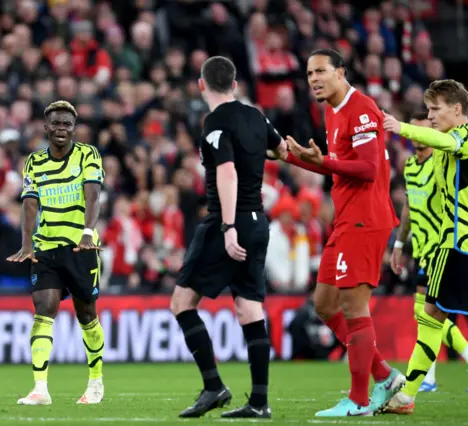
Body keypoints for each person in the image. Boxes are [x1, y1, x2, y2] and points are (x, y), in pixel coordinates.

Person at [283, 48, 404, 416]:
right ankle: (384, 376)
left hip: (365, 219)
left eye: (321, 71)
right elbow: (339, 168)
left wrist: (323, 161)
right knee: (323, 304)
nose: (314, 79)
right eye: (308, 73)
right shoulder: (331, 110)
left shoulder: (361, 107)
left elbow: (366, 168)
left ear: (340, 72)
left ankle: (359, 400)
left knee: (353, 307)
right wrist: (296, 157)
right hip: (346, 218)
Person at [170, 56, 287, 419]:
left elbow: (227, 174)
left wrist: (227, 226)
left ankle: (213, 386)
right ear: (235, 85)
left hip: (229, 220)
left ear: (201, 85)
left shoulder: (214, 123)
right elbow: (281, 150)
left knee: (181, 304)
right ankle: (260, 402)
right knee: (249, 308)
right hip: (259, 221)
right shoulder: (256, 115)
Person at [7, 100, 105, 406]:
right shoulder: (34, 162)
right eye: (56, 124)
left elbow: (93, 195)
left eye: (67, 124)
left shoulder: (87, 154)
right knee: (43, 307)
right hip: (46, 246)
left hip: (80, 245)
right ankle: (40, 389)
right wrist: (27, 243)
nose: (61, 129)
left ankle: (95, 382)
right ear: (46, 127)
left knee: (86, 313)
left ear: (74, 129)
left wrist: (88, 232)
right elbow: (29, 204)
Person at [382, 79, 468, 414]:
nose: (430, 116)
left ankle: (407, 395)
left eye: (436, 109)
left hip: (459, 245)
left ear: (457, 110)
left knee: (433, 314)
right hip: (449, 246)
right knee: (432, 314)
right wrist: (402, 242)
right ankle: (408, 395)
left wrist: (400, 127)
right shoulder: (438, 150)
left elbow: (440, 141)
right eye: (428, 109)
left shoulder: (462, 138)